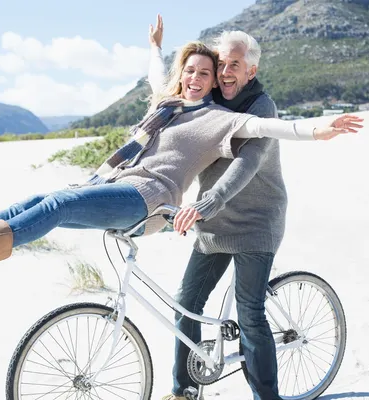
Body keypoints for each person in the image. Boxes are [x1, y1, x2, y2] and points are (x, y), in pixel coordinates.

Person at [0, 40, 362, 282]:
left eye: (205, 73)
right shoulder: (168, 104)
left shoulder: (219, 119)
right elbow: (157, 73)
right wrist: (156, 45)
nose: (196, 78)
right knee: (40, 197)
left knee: (56, 207)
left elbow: (267, 128)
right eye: (190, 72)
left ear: (217, 81)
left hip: (148, 202)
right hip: (123, 184)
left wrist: (318, 130)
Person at [146, 16, 305, 400]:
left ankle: (267, 397)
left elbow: (246, 164)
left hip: (255, 222)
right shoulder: (211, 100)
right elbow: (163, 88)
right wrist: (155, 48)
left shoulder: (262, 107)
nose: (225, 71)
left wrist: (205, 203)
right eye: (221, 64)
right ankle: (184, 390)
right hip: (213, 221)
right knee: (188, 302)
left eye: (234, 64)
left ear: (252, 70)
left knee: (250, 314)